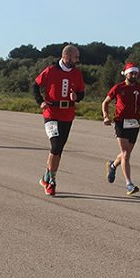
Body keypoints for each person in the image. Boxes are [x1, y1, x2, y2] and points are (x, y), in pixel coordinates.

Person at [33, 45, 85, 196]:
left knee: (59, 149)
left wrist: (77, 97)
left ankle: (46, 176)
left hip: (67, 114)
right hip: (51, 113)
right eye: (76, 57)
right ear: (67, 56)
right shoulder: (50, 70)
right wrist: (40, 101)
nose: (78, 60)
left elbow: (81, 93)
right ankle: (51, 180)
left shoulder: (77, 73)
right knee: (55, 144)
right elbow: (35, 86)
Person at [102, 63, 140, 195]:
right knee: (125, 154)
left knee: (126, 154)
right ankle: (129, 184)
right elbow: (105, 102)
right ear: (125, 73)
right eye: (131, 73)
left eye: (136, 73)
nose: (134, 75)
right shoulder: (118, 87)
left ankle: (113, 165)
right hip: (120, 122)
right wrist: (106, 116)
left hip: (134, 123)